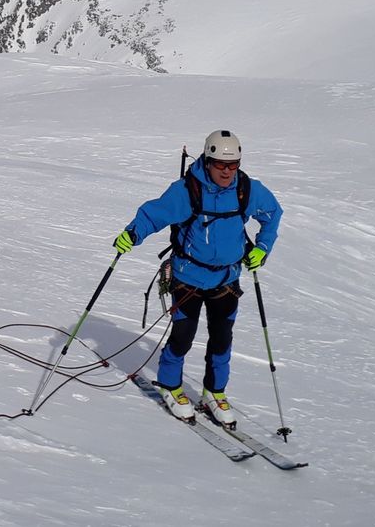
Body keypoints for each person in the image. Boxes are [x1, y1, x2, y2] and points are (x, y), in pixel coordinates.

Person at [112, 129, 282, 426]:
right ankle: (169, 384)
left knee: (221, 340)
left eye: (234, 165)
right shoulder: (188, 190)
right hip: (187, 278)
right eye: (221, 165)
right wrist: (132, 234)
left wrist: (262, 248)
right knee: (182, 337)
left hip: (227, 280)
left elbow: (273, 213)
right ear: (207, 159)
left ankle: (214, 392)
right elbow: (155, 214)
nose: (228, 172)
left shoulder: (247, 190)